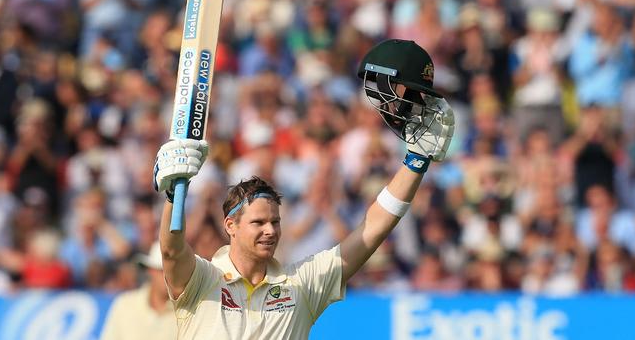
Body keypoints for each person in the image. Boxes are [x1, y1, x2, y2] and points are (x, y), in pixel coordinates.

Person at [153, 39, 454, 339]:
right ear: (230, 225)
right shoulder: (203, 279)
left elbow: (373, 228)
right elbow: (170, 248)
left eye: (274, 222)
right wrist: (172, 195)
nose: (270, 230)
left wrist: (416, 161)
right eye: (258, 222)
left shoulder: (301, 284)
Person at [100, 241, 177, 340]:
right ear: (150, 271)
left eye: (173, 271)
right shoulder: (124, 304)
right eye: (161, 270)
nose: (168, 277)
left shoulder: (188, 312)